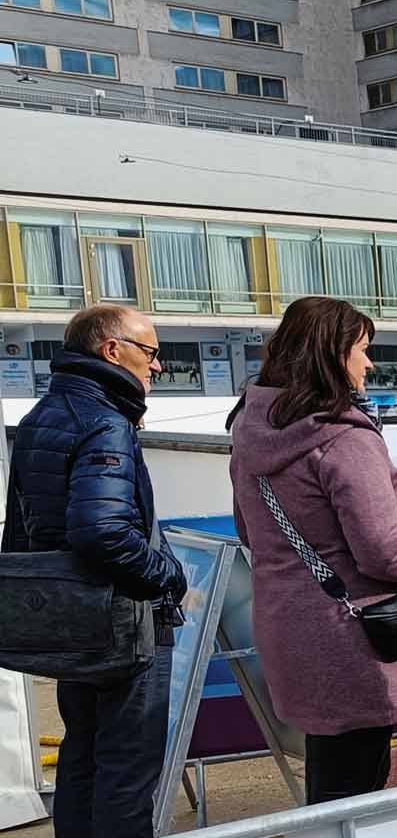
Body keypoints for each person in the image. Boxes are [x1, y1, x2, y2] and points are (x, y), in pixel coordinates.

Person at [226, 298, 397, 804]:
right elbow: (383, 554)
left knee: (331, 780)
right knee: (358, 789)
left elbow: (250, 533)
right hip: (352, 639)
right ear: (335, 355)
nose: (369, 363)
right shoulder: (343, 440)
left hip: (289, 628)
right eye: (362, 350)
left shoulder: (253, 433)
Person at [3, 306, 186, 838]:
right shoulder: (105, 420)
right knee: (127, 772)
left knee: (82, 758)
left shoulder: (44, 413)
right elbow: (101, 531)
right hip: (121, 623)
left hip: (72, 620)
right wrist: (168, 575)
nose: (155, 368)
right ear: (113, 351)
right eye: (150, 354)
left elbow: (25, 528)